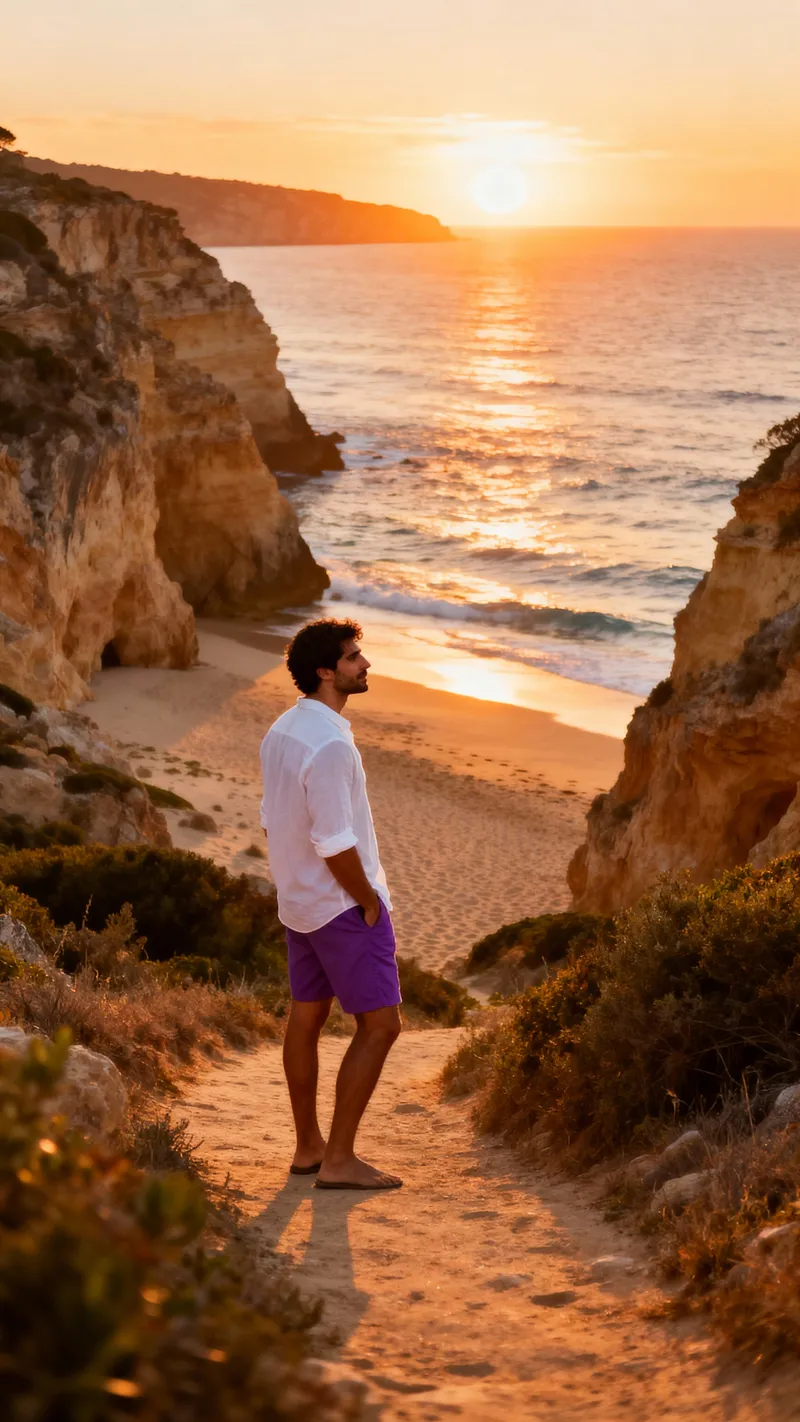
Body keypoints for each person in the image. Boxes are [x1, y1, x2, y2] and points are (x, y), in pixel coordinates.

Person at [260, 619, 403, 1191]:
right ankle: (339, 1160)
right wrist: (366, 900)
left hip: (299, 902)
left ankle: (308, 1148)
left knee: (308, 1016)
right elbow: (336, 842)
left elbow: (272, 821)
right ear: (326, 671)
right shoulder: (331, 743)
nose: (364, 664)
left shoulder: (283, 729)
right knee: (381, 1026)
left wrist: (300, 884)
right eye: (353, 657)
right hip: (342, 905)